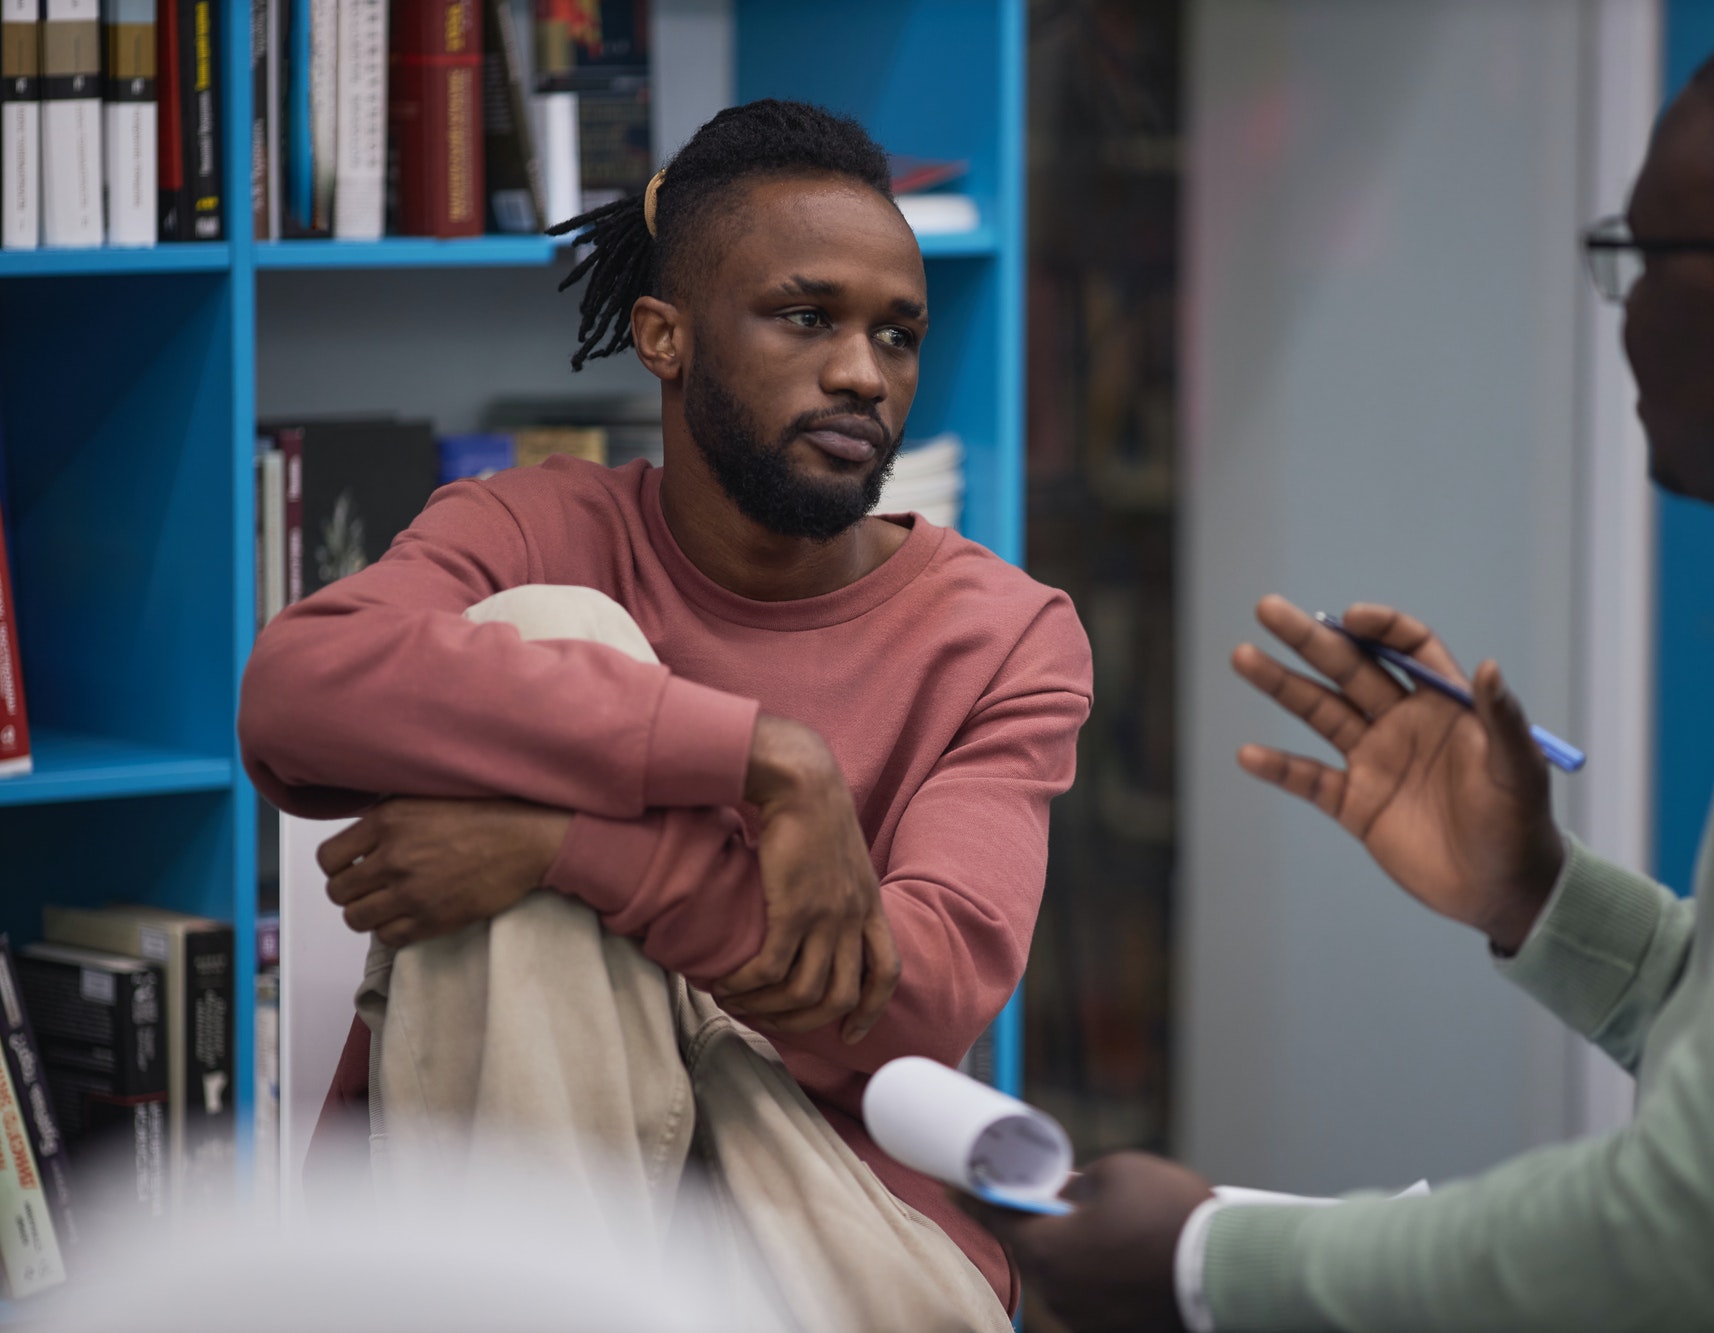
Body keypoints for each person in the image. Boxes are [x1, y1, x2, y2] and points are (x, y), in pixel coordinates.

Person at [963, 15, 1714, 1331]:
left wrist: (1206, 1264)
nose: (1618, 325)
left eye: (1631, 266)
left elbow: (1698, 1247)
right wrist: (1541, 892)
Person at [237, 98, 1091, 1311]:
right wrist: (754, 755)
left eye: (897, 336)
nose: (862, 373)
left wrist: (557, 845)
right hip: (489, 1207)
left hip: (825, 1226)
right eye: (806, 318)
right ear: (663, 335)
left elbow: (915, 991)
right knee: (553, 625)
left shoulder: (1002, 634)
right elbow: (292, 693)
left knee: (544, 804)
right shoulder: (532, 528)